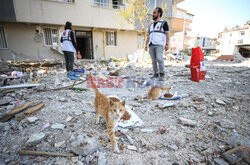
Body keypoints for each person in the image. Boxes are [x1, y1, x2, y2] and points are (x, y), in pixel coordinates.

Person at [145, 7, 170, 81]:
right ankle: (155, 74)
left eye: (154, 13)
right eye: (153, 13)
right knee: (153, 60)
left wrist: (167, 44)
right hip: (151, 44)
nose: (153, 14)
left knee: (159, 58)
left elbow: (167, 34)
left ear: (159, 14)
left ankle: (161, 74)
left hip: (159, 44)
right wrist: (146, 45)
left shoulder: (163, 23)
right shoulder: (151, 25)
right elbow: (148, 36)